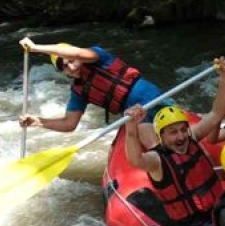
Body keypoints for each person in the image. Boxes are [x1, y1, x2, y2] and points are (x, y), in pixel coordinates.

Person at [122, 57, 225, 226]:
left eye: (183, 129)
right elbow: (135, 159)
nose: (181, 136)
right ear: (162, 136)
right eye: (173, 133)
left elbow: (217, 112)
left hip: (216, 212)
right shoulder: (157, 159)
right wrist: (131, 128)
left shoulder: (192, 137)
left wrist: (224, 78)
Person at [18, 38, 175, 149]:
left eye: (71, 61)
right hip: (136, 116)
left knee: (177, 131)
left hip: (155, 99)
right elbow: (69, 124)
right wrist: (37, 122)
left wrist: (35, 48)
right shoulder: (78, 92)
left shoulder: (99, 57)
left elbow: (78, 53)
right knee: (154, 147)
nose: (71, 68)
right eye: (65, 66)